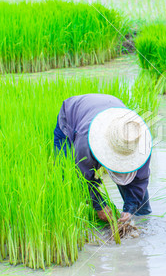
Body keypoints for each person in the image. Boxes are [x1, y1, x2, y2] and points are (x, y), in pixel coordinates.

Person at [54, 93, 152, 223]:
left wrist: (130, 209)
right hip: (72, 114)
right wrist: (99, 205)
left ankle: (143, 218)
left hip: (111, 106)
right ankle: (72, 220)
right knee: (66, 174)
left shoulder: (139, 140)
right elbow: (80, 178)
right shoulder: (86, 141)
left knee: (139, 206)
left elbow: (140, 180)